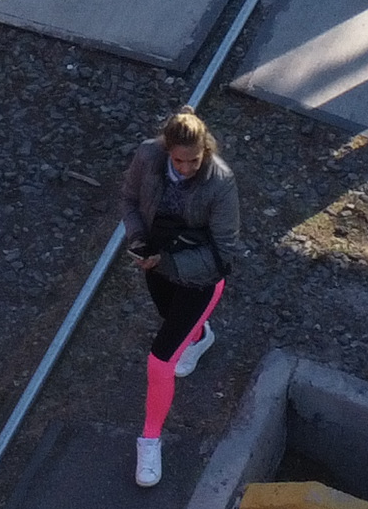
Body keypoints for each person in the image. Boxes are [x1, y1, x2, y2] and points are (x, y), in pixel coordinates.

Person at [115, 111, 239, 490]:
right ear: (166, 149)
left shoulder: (221, 184)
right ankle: (200, 337)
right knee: (175, 321)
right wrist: (138, 241)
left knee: (160, 360)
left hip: (199, 281)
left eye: (194, 160)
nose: (185, 168)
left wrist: (167, 260)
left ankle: (150, 439)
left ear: (206, 151)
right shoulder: (147, 156)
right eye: (178, 160)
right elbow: (130, 200)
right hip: (158, 268)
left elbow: (224, 253)